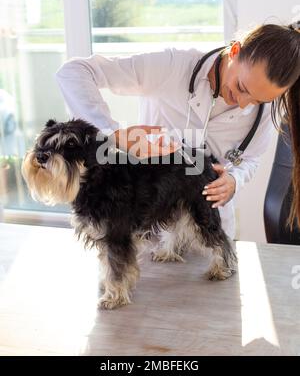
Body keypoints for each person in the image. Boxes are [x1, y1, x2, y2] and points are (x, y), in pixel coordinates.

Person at [55, 22, 300, 239]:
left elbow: (251, 158)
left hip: (212, 230)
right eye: (241, 87)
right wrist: (110, 135)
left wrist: (234, 179)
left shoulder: (264, 109)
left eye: (257, 101)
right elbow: (74, 72)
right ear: (234, 51)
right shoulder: (172, 66)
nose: (245, 104)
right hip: (151, 228)